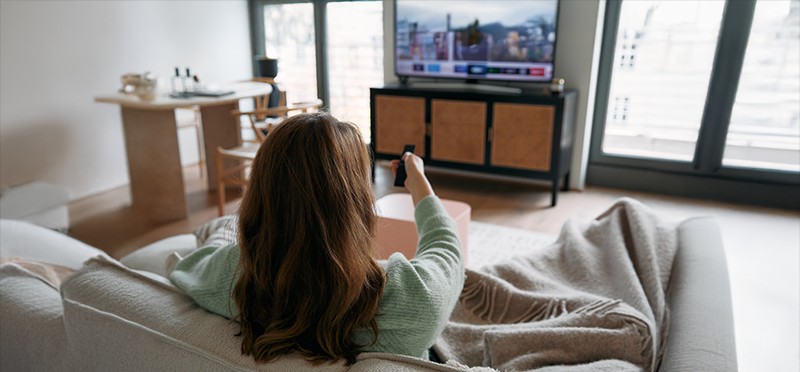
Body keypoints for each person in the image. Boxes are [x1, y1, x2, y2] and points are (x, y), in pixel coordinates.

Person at [168, 112, 464, 365]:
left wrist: (235, 234)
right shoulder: (415, 295)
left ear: (259, 197)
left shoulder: (230, 273)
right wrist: (419, 182)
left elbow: (184, 265)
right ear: (355, 204)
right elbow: (446, 246)